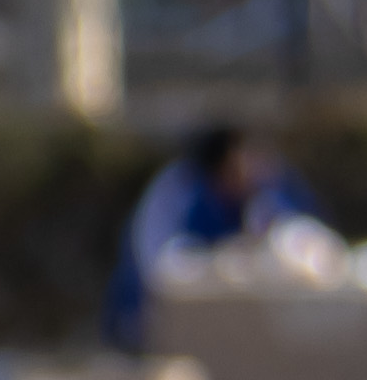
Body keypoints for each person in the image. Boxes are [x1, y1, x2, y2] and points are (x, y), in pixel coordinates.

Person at [103, 117, 317, 347]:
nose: (258, 168)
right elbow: (161, 267)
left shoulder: (260, 195)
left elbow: (297, 242)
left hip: (225, 326)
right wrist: (220, 262)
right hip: (145, 320)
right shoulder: (180, 190)